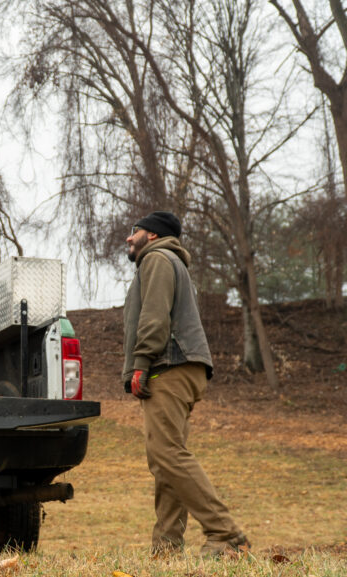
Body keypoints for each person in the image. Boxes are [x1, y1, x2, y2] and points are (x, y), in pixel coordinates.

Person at [123, 211, 250, 557]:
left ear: (151, 235)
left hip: (169, 366)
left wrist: (141, 363)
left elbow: (153, 316)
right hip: (182, 367)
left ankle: (225, 534)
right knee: (166, 459)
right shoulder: (167, 260)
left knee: (166, 454)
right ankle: (166, 548)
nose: (128, 238)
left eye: (133, 232)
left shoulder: (157, 258)